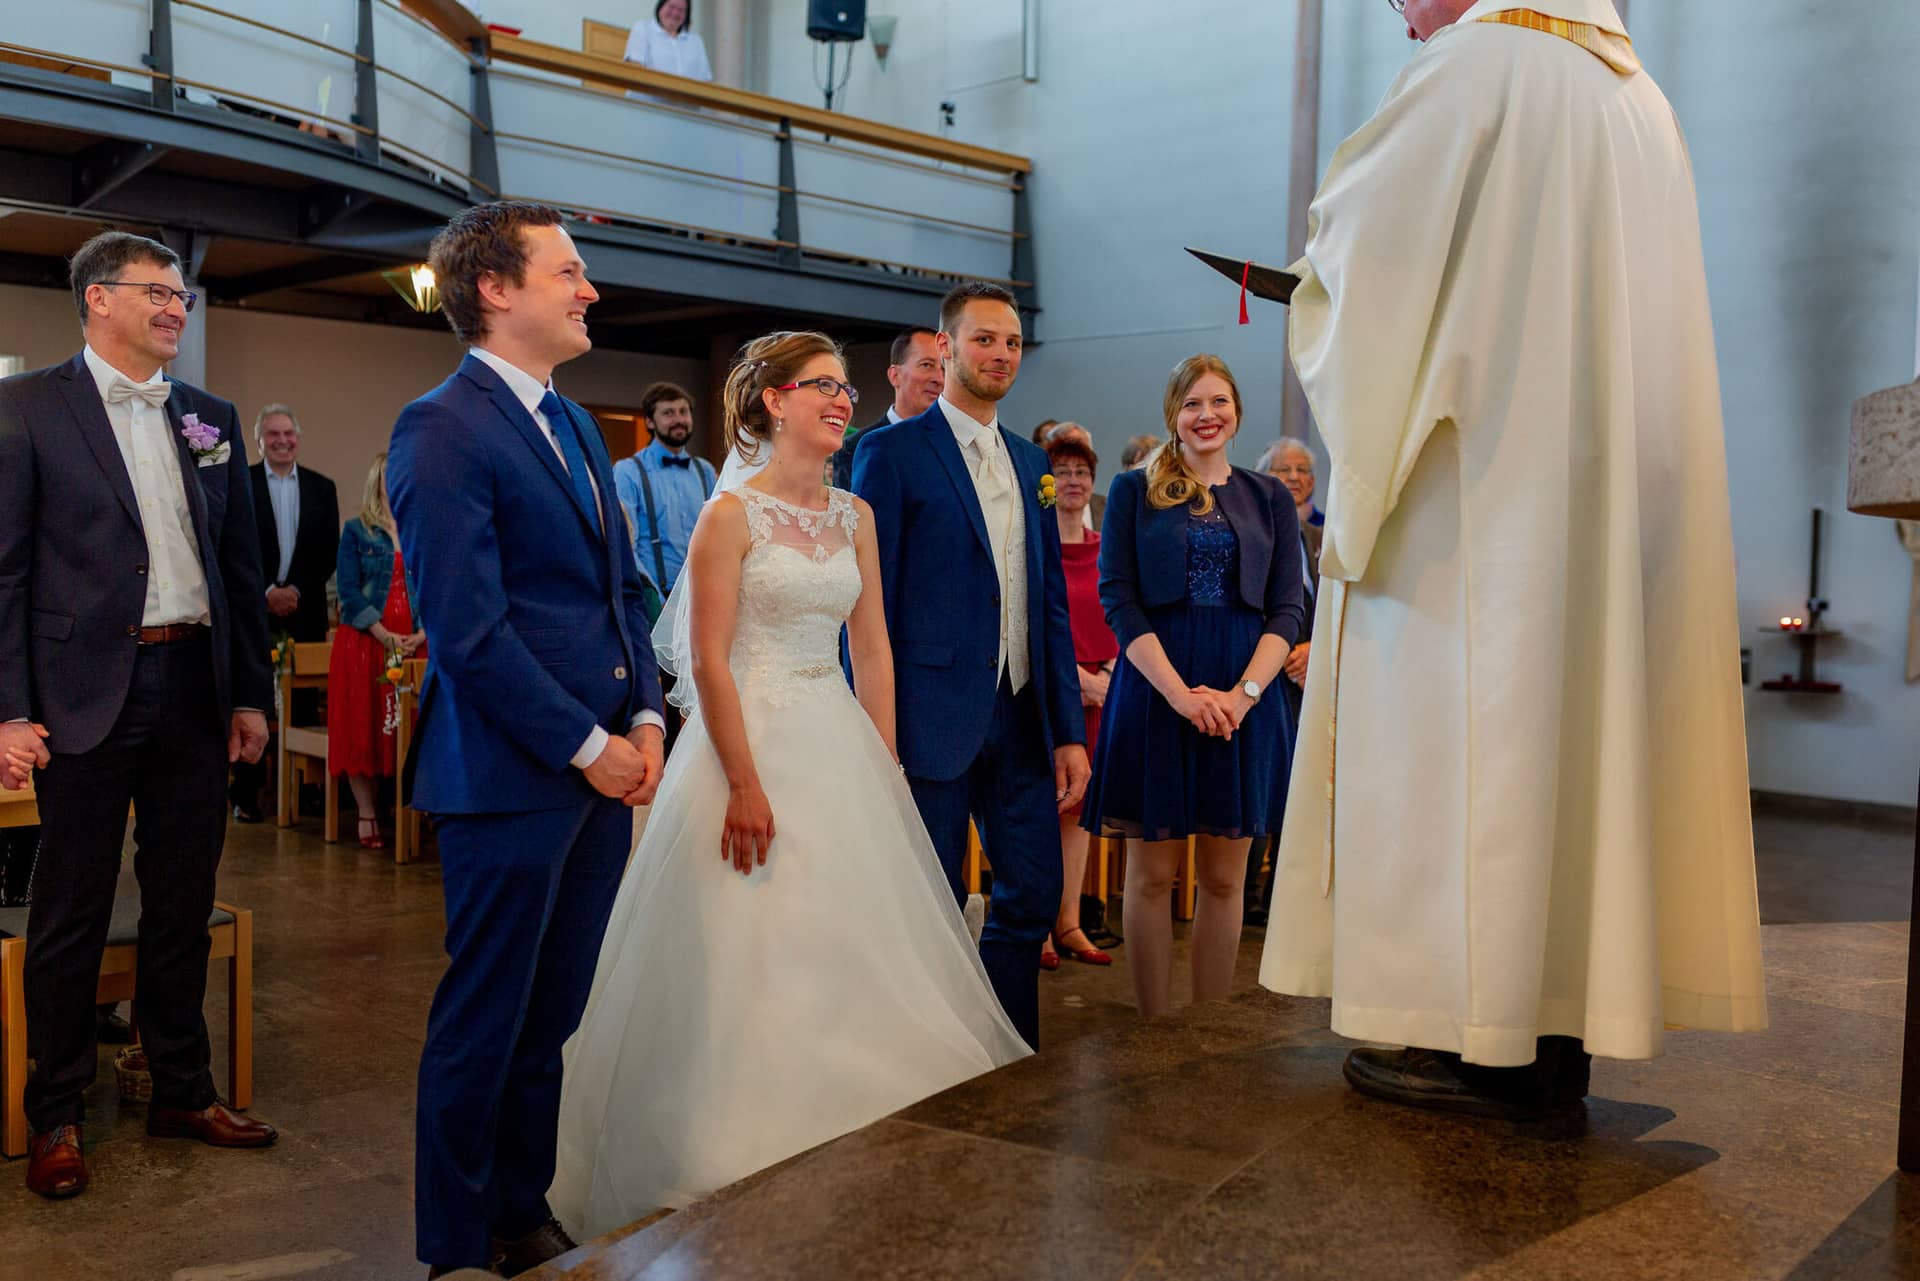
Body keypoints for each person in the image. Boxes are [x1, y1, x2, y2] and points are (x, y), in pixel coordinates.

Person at [1260, 0, 1767, 1121]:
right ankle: (1552, 1034)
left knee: (1469, 754)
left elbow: (1365, 265)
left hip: (1479, 508)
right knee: (1576, 759)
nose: (1406, 24)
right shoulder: (1643, 103)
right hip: (1602, 511)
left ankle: (1474, 1039)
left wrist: (1317, 284)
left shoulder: (1475, 67)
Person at [551, 331, 1029, 1236]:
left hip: (836, 737)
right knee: (751, 937)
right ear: (774, 400)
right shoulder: (730, 517)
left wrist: (886, 766)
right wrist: (742, 781)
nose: (843, 400)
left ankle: (853, 1110)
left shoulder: (856, 516)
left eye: (846, 388)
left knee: (852, 932)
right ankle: (729, 1132)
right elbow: (708, 658)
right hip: (748, 742)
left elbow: (872, 648)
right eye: (823, 386)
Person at [387, 202, 666, 1278]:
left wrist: (645, 713)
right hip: (510, 775)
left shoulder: (579, 424)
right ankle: (455, 1244)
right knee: (487, 1017)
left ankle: (518, 1208)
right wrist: (588, 744)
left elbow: (620, 588)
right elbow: (467, 630)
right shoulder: (440, 427)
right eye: (568, 272)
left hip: (603, 763)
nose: (589, 290)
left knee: (553, 1015)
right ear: (496, 289)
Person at [0, 229, 277, 1201]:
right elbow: (5, 574)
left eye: (181, 295)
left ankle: (180, 1088)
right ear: (98, 298)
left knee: (181, 903)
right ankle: (56, 1111)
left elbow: (240, 571)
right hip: (80, 694)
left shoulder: (209, 416)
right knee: (71, 909)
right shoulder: (27, 407)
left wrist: (250, 694)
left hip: (195, 684)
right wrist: (9, 712)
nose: (175, 308)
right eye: (157, 292)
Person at [851, 281, 1090, 1050]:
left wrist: (1066, 730)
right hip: (928, 716)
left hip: (1020, 714)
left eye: (1012, 342)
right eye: (984, 339)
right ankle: (931, 1058)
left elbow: (1049, 605)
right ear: (946, 347)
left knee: (1033, 893)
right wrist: (876, 730)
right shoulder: (890, 452)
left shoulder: (1030, 461)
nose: (1001, 353)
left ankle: (1007, 1051)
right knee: (930, 899)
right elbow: (869, 605)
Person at [1083, 356, 1302, 1019]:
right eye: (1192, 404)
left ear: (1237, 410)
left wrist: (1243, 696)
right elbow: (1118, 599)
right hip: (1157, 690)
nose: (1207, 415)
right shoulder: (1133, 490)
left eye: (1219, 402)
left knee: (1225, 878)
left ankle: (1207, 1029)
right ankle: (1154, 1025)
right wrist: (1180, 694)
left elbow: (1287, 610)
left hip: (1244, 700)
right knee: (1151, 876)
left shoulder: (1269, 497)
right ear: (1173, 414)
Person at [231, 402, 338, 822]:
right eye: (273, 434)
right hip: (253, 612)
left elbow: (327, 550)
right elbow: (232, 546)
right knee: (252, 701)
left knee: (305, 703)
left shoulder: (322, 488)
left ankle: (306, 792)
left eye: (288, 433)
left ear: (298, 439)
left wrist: (294, 590)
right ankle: (245, 793)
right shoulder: (242, 482)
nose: (282, 441)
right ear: (259, 441)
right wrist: (264, 593)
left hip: (304, 610)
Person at [1040, 432, 1116, 970]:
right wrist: (1077, 679)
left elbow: (1120, 610)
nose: (1073, 481)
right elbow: (1033, 621)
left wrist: (1107, 674)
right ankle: (1037, 929)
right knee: (1044, 809)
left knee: (1078, 814)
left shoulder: (1105, 547)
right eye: (1062, 472)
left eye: (1082, 472)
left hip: (1101, 692)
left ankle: (1069, 922)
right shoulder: (1037, 547)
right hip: (1051, 691)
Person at [326, 453, 423, 850]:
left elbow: (436, 586)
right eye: (389, 473)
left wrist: (423, 632)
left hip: (414, 643)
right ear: (376, 481)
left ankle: (409, 811)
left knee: (411, 730)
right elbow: (347, 591)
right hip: (366, 642)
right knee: (363, 727)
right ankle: (367, 813)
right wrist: (383, 634)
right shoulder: (357, 530)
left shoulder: (421, 527)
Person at [1244, 437, 1321, 924]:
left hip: (1311, 682)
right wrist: (1279, 654)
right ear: (1265, 478)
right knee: (1261, 785)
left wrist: (1316, 651)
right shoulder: (1253, 531)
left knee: (1301, 791)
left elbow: (1336, 605)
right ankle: (1246, 893)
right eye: (1283, 469)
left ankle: (1283, 898)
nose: (1293, 477)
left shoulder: (1319, 537)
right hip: (1262, 678)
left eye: (1302, 470)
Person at [613, 380, 716, 597]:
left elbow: (717, 536)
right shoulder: (628, 471)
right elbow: (625, 545)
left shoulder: (705, 471)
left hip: (701, 596)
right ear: (650, 422)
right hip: (654, 598)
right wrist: (654, 599)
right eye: (668, 413)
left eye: (683, 412)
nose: (679, 420)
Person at [830, 326, 941, 488]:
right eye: (926, 365)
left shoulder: (952, 444)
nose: (939, 378)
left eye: (944, 369)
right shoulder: (854, 448)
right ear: (895, 375)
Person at [624, 0, 713, 82]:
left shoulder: (695, 40)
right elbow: (634, 67)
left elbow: (705, 79)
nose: (675, 13)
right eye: (671, 7)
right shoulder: (643, 28)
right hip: (648, 93)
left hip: (685, 94)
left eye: (681, 10)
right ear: (661, 6)